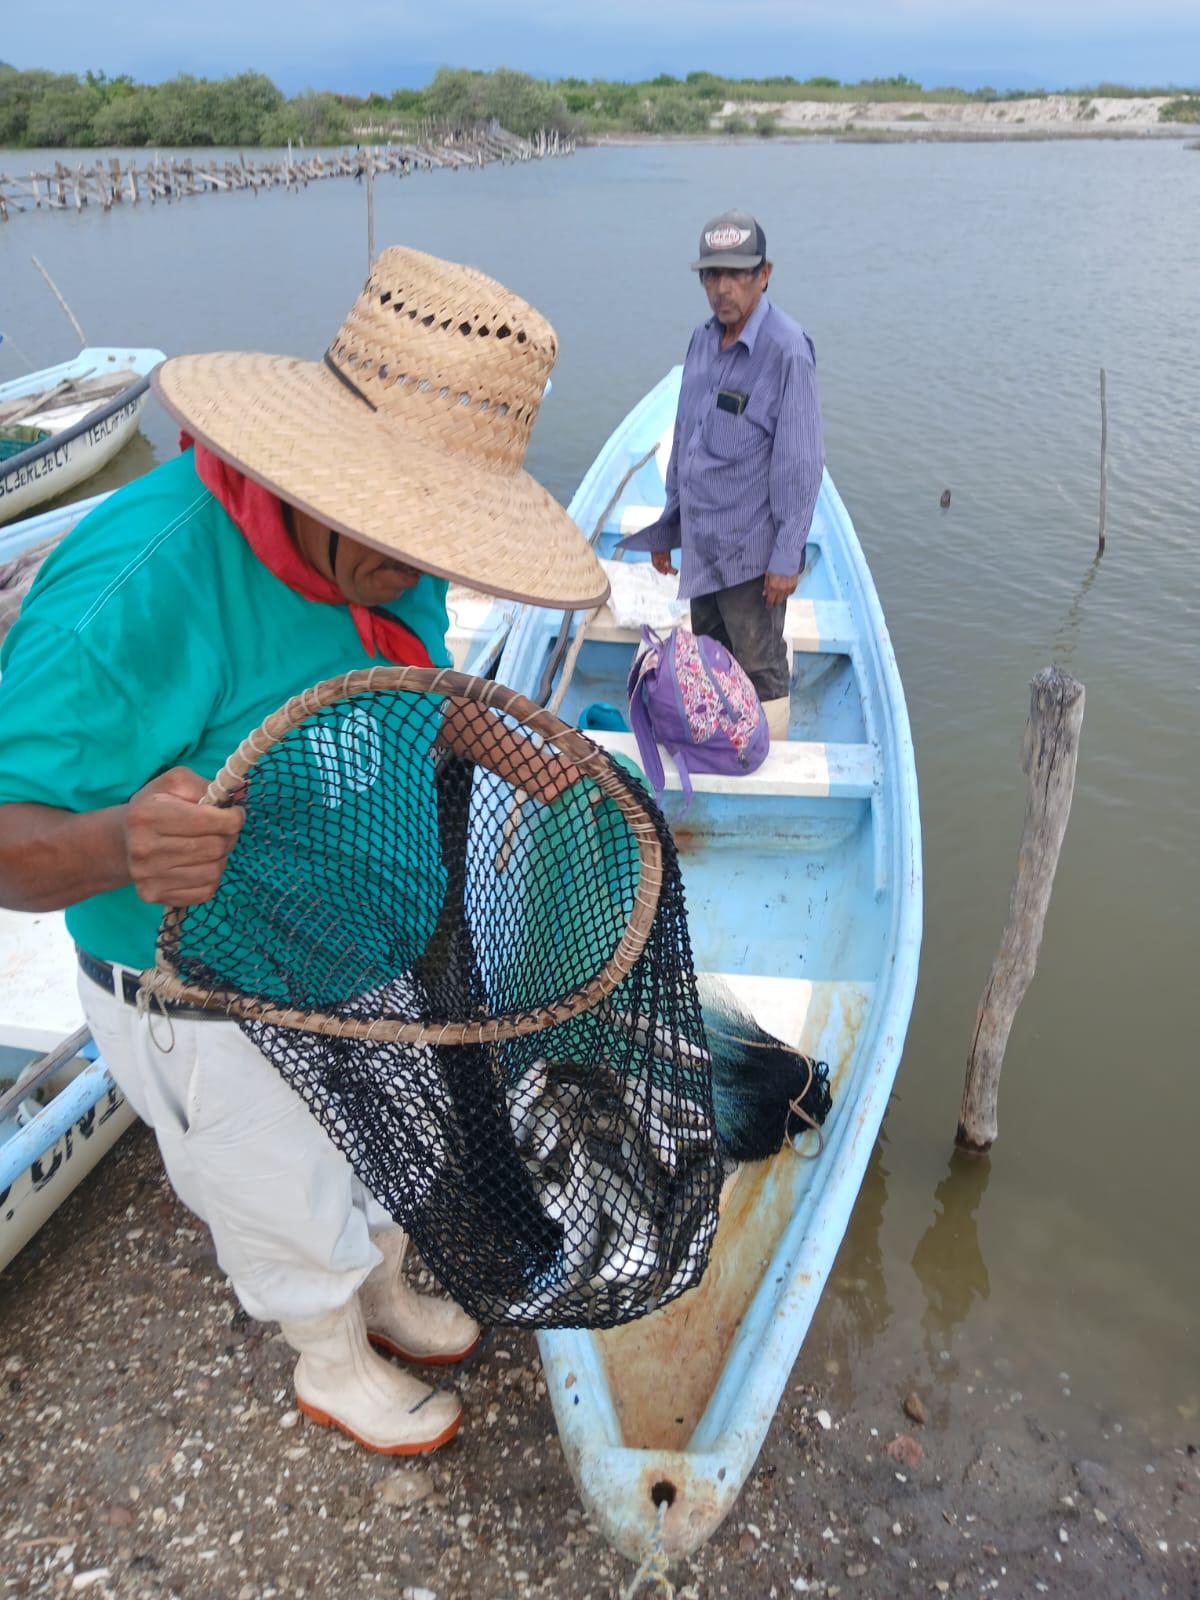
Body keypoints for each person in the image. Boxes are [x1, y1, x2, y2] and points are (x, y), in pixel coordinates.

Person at [0, 247, 608, 1456]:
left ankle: (380, 1283)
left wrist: (487, 732)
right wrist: (124, 840)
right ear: (314, 474)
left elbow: (409, 681)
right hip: (202, 989)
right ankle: (330, 1358)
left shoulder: (396, 558)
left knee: (376, 1144)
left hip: (354, 951)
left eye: (445, 533)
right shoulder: (137, 592)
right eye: (402, 529)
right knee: (272, 1183)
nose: (425, 560)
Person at [619, 209, 825, 740]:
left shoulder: (786, 350)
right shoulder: (701, 341)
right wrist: (670, 528)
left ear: (765, 274)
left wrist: (786, 557)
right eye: (712, 275)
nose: (723, 288)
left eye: (737, 274)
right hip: (703, 548)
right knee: (710, 655)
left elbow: (800, 464)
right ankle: (726, 745)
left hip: (752, 558)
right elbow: (686, 440)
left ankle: (770, 756)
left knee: (760, 668)